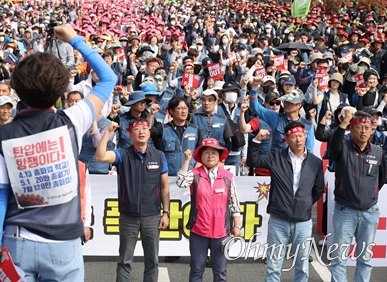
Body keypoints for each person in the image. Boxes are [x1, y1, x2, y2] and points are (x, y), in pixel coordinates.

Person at [0, 24, 116, 281]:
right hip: (63, 242)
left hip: (16, 241)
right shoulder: (72, 121)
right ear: (60, 90)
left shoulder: (2, 135)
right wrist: (75, 40)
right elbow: (108, 77)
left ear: (17, 90)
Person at [247, 122, 324, 282]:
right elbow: (253, 162)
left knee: (302, 265)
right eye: (294, 136)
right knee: (274, 264)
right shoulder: (276, 157)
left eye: (301, 136)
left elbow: (318, 189)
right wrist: (256, 141)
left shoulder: (315, 162)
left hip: (303, 220)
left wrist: (303, 203)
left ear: (305, 137)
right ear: (286, 139)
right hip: (278, 219)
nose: (298, 140)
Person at [95, 119, 170, 282]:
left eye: (145, 128)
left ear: (150, 133)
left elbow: (165, 187)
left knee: (152, 261)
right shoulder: (122, 154)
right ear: (130, 134)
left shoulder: (159, 156)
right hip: (128, 217)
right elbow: (100, 156)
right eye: (137, 129)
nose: (141, 132)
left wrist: (166, 213)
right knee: (124, 261)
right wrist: (107, 132)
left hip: (152, 216)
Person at [329, 109, 387, 282]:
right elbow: (333, 144)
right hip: (345, 211)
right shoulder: (343, 147)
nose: (363, 130)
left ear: (372, 131)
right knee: (339, 257)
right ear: (351, 129)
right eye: (359, 127)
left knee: (365, 258)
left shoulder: (378, 151)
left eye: (367, 127)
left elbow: (382, 177)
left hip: (370, 212)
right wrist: (343, 123)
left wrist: (370, 195)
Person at [176, 139, 241, 282]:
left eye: (214, 153)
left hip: (222, 233)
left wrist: (236, 226)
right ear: (201, 156)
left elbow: (235, 204)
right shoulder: (194, 174)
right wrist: (187, 161)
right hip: (199, 231)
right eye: (206, 153)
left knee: (220, 272)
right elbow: (180, 182)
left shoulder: (227, 177)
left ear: (219, 156)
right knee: (196, 271)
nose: (210, 156)